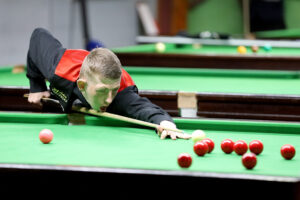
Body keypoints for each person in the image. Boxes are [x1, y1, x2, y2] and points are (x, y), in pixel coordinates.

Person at [26, 28, 190, 140]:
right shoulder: (58, 70)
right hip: (71, 67)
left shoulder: (121, 95)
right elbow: (38, 36)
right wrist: (37, 85)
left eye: (113, 90)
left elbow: (144, 109)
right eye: (103, 91)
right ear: (82, 86)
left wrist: (165, 123)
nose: (109, 99)